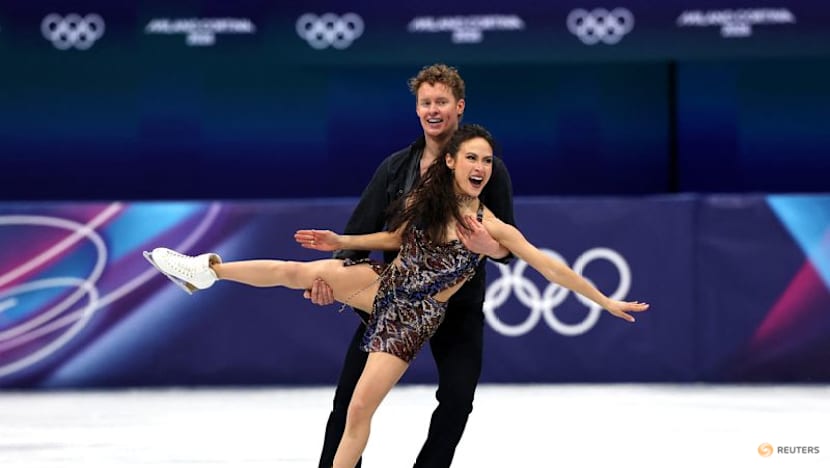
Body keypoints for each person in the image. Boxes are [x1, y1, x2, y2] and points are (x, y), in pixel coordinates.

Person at [144, 124, 649, 468]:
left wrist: (604, 299)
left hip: (413, 319)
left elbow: (549, 267)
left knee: (360, 409)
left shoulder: (494, 227)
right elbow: (392, 239)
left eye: (487, 160)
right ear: (451, 161)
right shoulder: (424, 198)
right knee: (293, 271)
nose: (480, 166)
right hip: (382, 285)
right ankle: (204, 271)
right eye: (471, 157)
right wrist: (343, 244)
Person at [312, 63, 515, 468]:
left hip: (456, 307)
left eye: (442, 101)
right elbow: (360, 231)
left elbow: (507, 247)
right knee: (349, 400)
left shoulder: (484, 167)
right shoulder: (395, 169)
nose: (433, 110)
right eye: (426, 102)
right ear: (417, 109)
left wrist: (488, 245)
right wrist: (334, 279)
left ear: (459, 106)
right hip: (395, 301)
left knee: (458, 399)